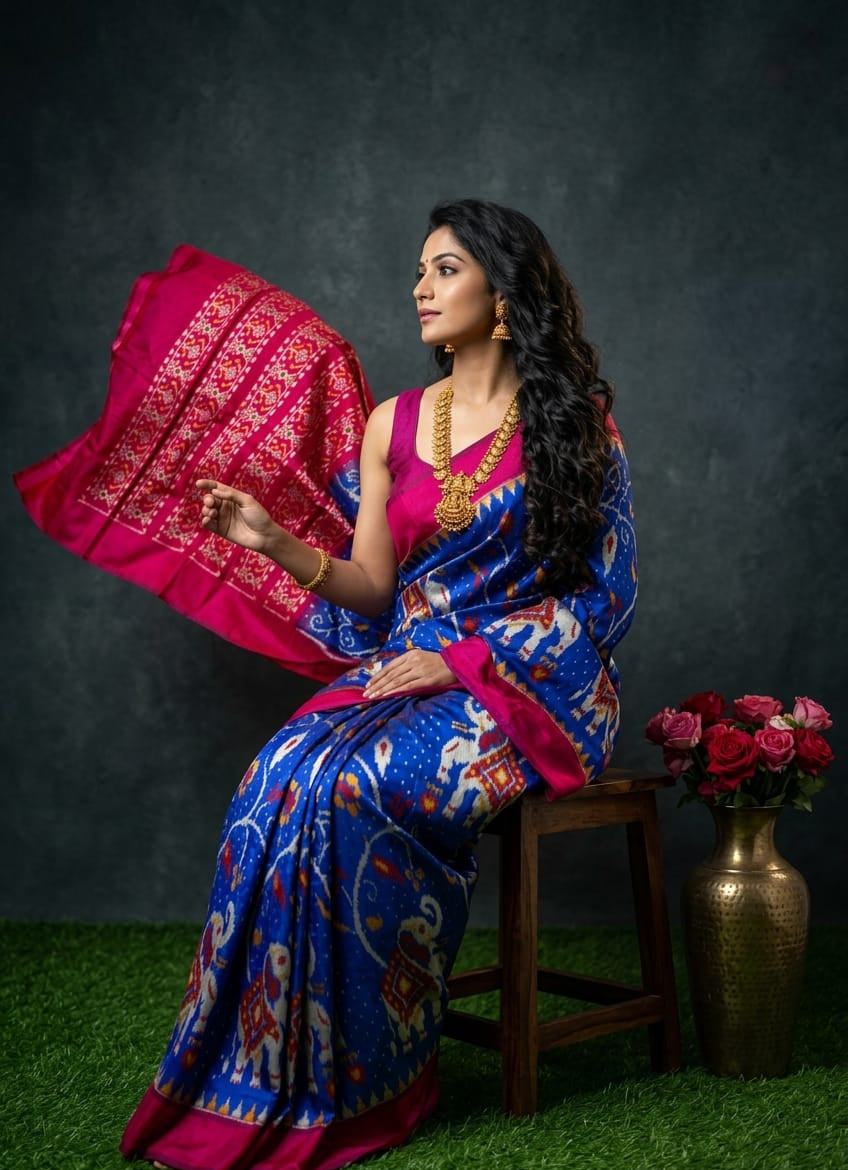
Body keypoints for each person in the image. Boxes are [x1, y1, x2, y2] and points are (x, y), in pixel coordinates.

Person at [19, 199, 636, 1170]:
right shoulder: (394, 422)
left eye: (442, 270)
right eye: (420, 270)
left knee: (354, 786)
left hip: (531, 687)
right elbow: (371, 589)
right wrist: (271, 542)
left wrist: (467, 660)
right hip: (409, 668)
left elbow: (603, 600)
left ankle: (376, 1079)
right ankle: (267, 1078)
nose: (418, 289)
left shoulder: (577, 430)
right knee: (281, 776)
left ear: (504, 295)